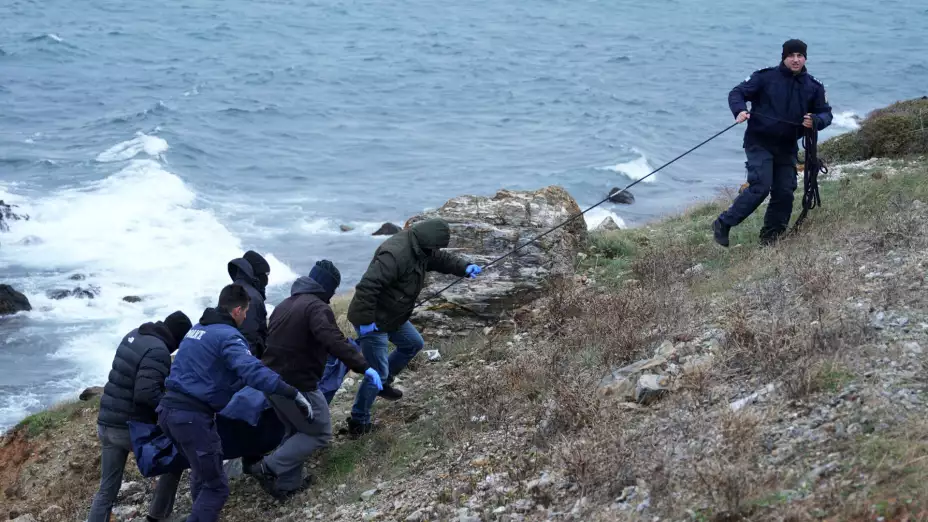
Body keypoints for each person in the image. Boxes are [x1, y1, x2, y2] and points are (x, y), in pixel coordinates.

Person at [157, 284, 308, 522]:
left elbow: (204, 374)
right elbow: (251, 370)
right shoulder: (228, 336)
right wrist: (289, 391)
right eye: (246, 312)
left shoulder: (197, 330)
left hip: (168, 413)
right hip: (191, 418)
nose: (246, 317)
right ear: (237, 310)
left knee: (202, 472)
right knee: (216, 487)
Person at [249, 260, 382, 498]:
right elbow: (331, 338)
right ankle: (266, 468)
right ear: (328, 288)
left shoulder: (284, 305)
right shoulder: (316, 307)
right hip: (297, 385)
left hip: (270, 381)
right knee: (320, 432)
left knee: (295, 429)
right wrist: (364, 366)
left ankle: (287, 485)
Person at [345, 218, 481, 437]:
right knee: (376, 371)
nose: (435, 251)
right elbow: (368, 286)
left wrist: (464, 267)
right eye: (435, 247)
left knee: (413, 343)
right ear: (428, 241)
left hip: (393, 316)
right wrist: (367, 322)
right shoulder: (395, 254)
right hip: (372, 320)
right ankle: (358, 421)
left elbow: (440, 259)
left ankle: (384, 384)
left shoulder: (420, 248)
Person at [713, 38, 833, 247]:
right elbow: (737, 93)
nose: (796, 60)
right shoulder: (765, 78)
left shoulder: (814, 87)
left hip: (787, 146)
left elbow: (825, 113)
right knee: (761, 185)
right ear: (784, 57)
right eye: (791, 56)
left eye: (800, 56)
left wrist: (816, 121)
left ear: (805, 58)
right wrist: (740, 110)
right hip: (759, 141)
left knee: (785, 191)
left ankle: (770, 239)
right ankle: (723, 223)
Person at [87, 311, 192, 522]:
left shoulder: (135, 334)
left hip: (106, 422)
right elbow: (146, 394)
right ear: (177, 338)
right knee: (176, 457)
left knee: (107, 490)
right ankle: (158, 516)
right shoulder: (158, 351)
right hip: (129, 428)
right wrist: (173, 408)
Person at [228, 250, 271, 358]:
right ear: (257, 273)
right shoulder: (252, 297)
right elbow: (248, 337)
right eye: (266, 274)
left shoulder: (230, 290)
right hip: (245, 362)